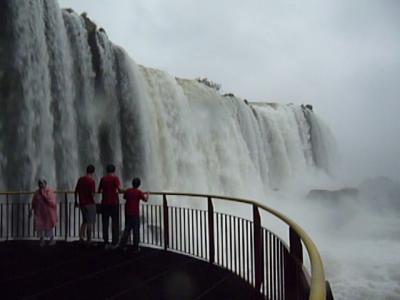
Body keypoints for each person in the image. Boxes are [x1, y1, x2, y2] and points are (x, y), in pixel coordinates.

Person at [119, 177, 149, 252]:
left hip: (128, 213)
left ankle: (122, 245)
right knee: (136, 231)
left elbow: (124, 197)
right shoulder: (139, 192)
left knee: (127, 229)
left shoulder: (128, 191)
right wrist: (148, 194)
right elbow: (145, 200)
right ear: (139, 185)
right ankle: (135, 247)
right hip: (135, 213)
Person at [98, 164, 123, 249]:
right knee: (115, 223)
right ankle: (114, 242)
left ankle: (106, 243)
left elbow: (99, 190)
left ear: (107, 170)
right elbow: (119, 190)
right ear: (114, 170)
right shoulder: (115, 178)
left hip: (104, 203)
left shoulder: (103, 179)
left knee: (105, 223)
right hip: (114, 203)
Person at [31, 179, 58, 247]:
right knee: (40, 227)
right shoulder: (37, 193)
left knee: (49, 227)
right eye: (40, 183)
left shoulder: (49, 191)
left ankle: (52, 240)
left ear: (45, 184)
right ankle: (42, 240)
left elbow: (52, 202)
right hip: (39, 213)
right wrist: (31, 209)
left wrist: (44, 195)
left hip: (47, 213)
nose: (41, 185)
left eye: (42, 183)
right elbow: (34, 202)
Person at [74, 164, 96, 245]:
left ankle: (81, 237)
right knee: (90, 222)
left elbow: (75, 191)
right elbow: (92, 194)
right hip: (90, 204)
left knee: (84, 221)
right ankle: (89, 240)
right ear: (93, 172)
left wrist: (76, 201)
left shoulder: (80, 179)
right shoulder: (92, 181)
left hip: (82, 204)